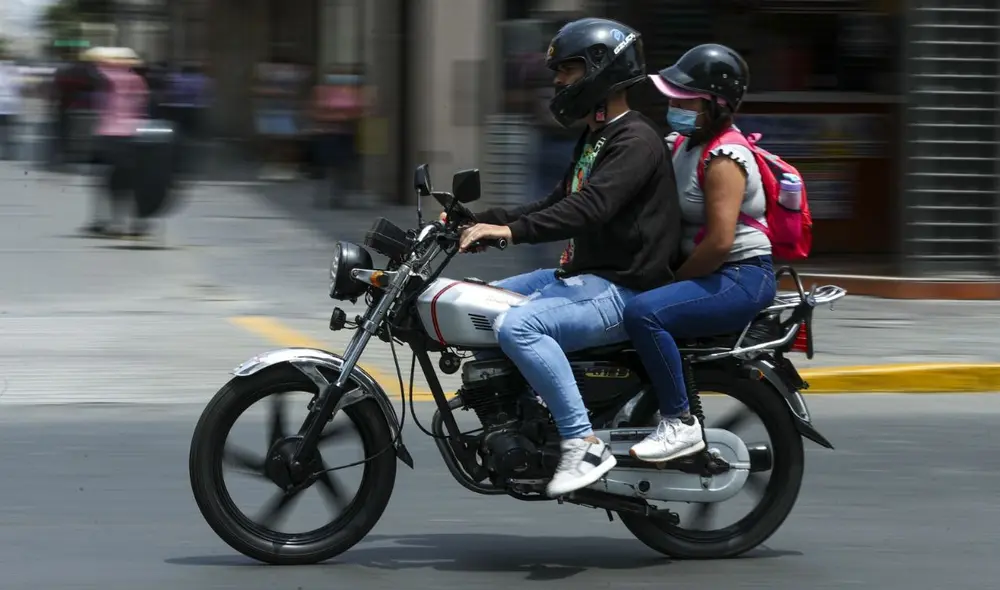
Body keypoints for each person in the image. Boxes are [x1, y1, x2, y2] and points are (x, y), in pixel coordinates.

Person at [455, 18, 682, 497]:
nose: (558, 81)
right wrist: (479, 221)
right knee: (475, 303)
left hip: (622, 286)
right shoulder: (598, 136)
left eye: (569, 70)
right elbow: (557, 201)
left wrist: (511, 232)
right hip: (584, 274)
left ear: (602, 69)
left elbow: (590, 208)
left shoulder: (635, 140)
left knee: (519, 326)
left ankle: (582, 441)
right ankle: (522, 416)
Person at [623, 44, 777, 463]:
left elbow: (719, 244)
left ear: (714, 104)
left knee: (645, 312)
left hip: (740, 276)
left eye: (684, 99)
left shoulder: (726, 157)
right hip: (712, 271)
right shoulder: (682, 144)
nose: (674, 104)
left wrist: (671, 282)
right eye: (673, 96)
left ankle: (679, 421)